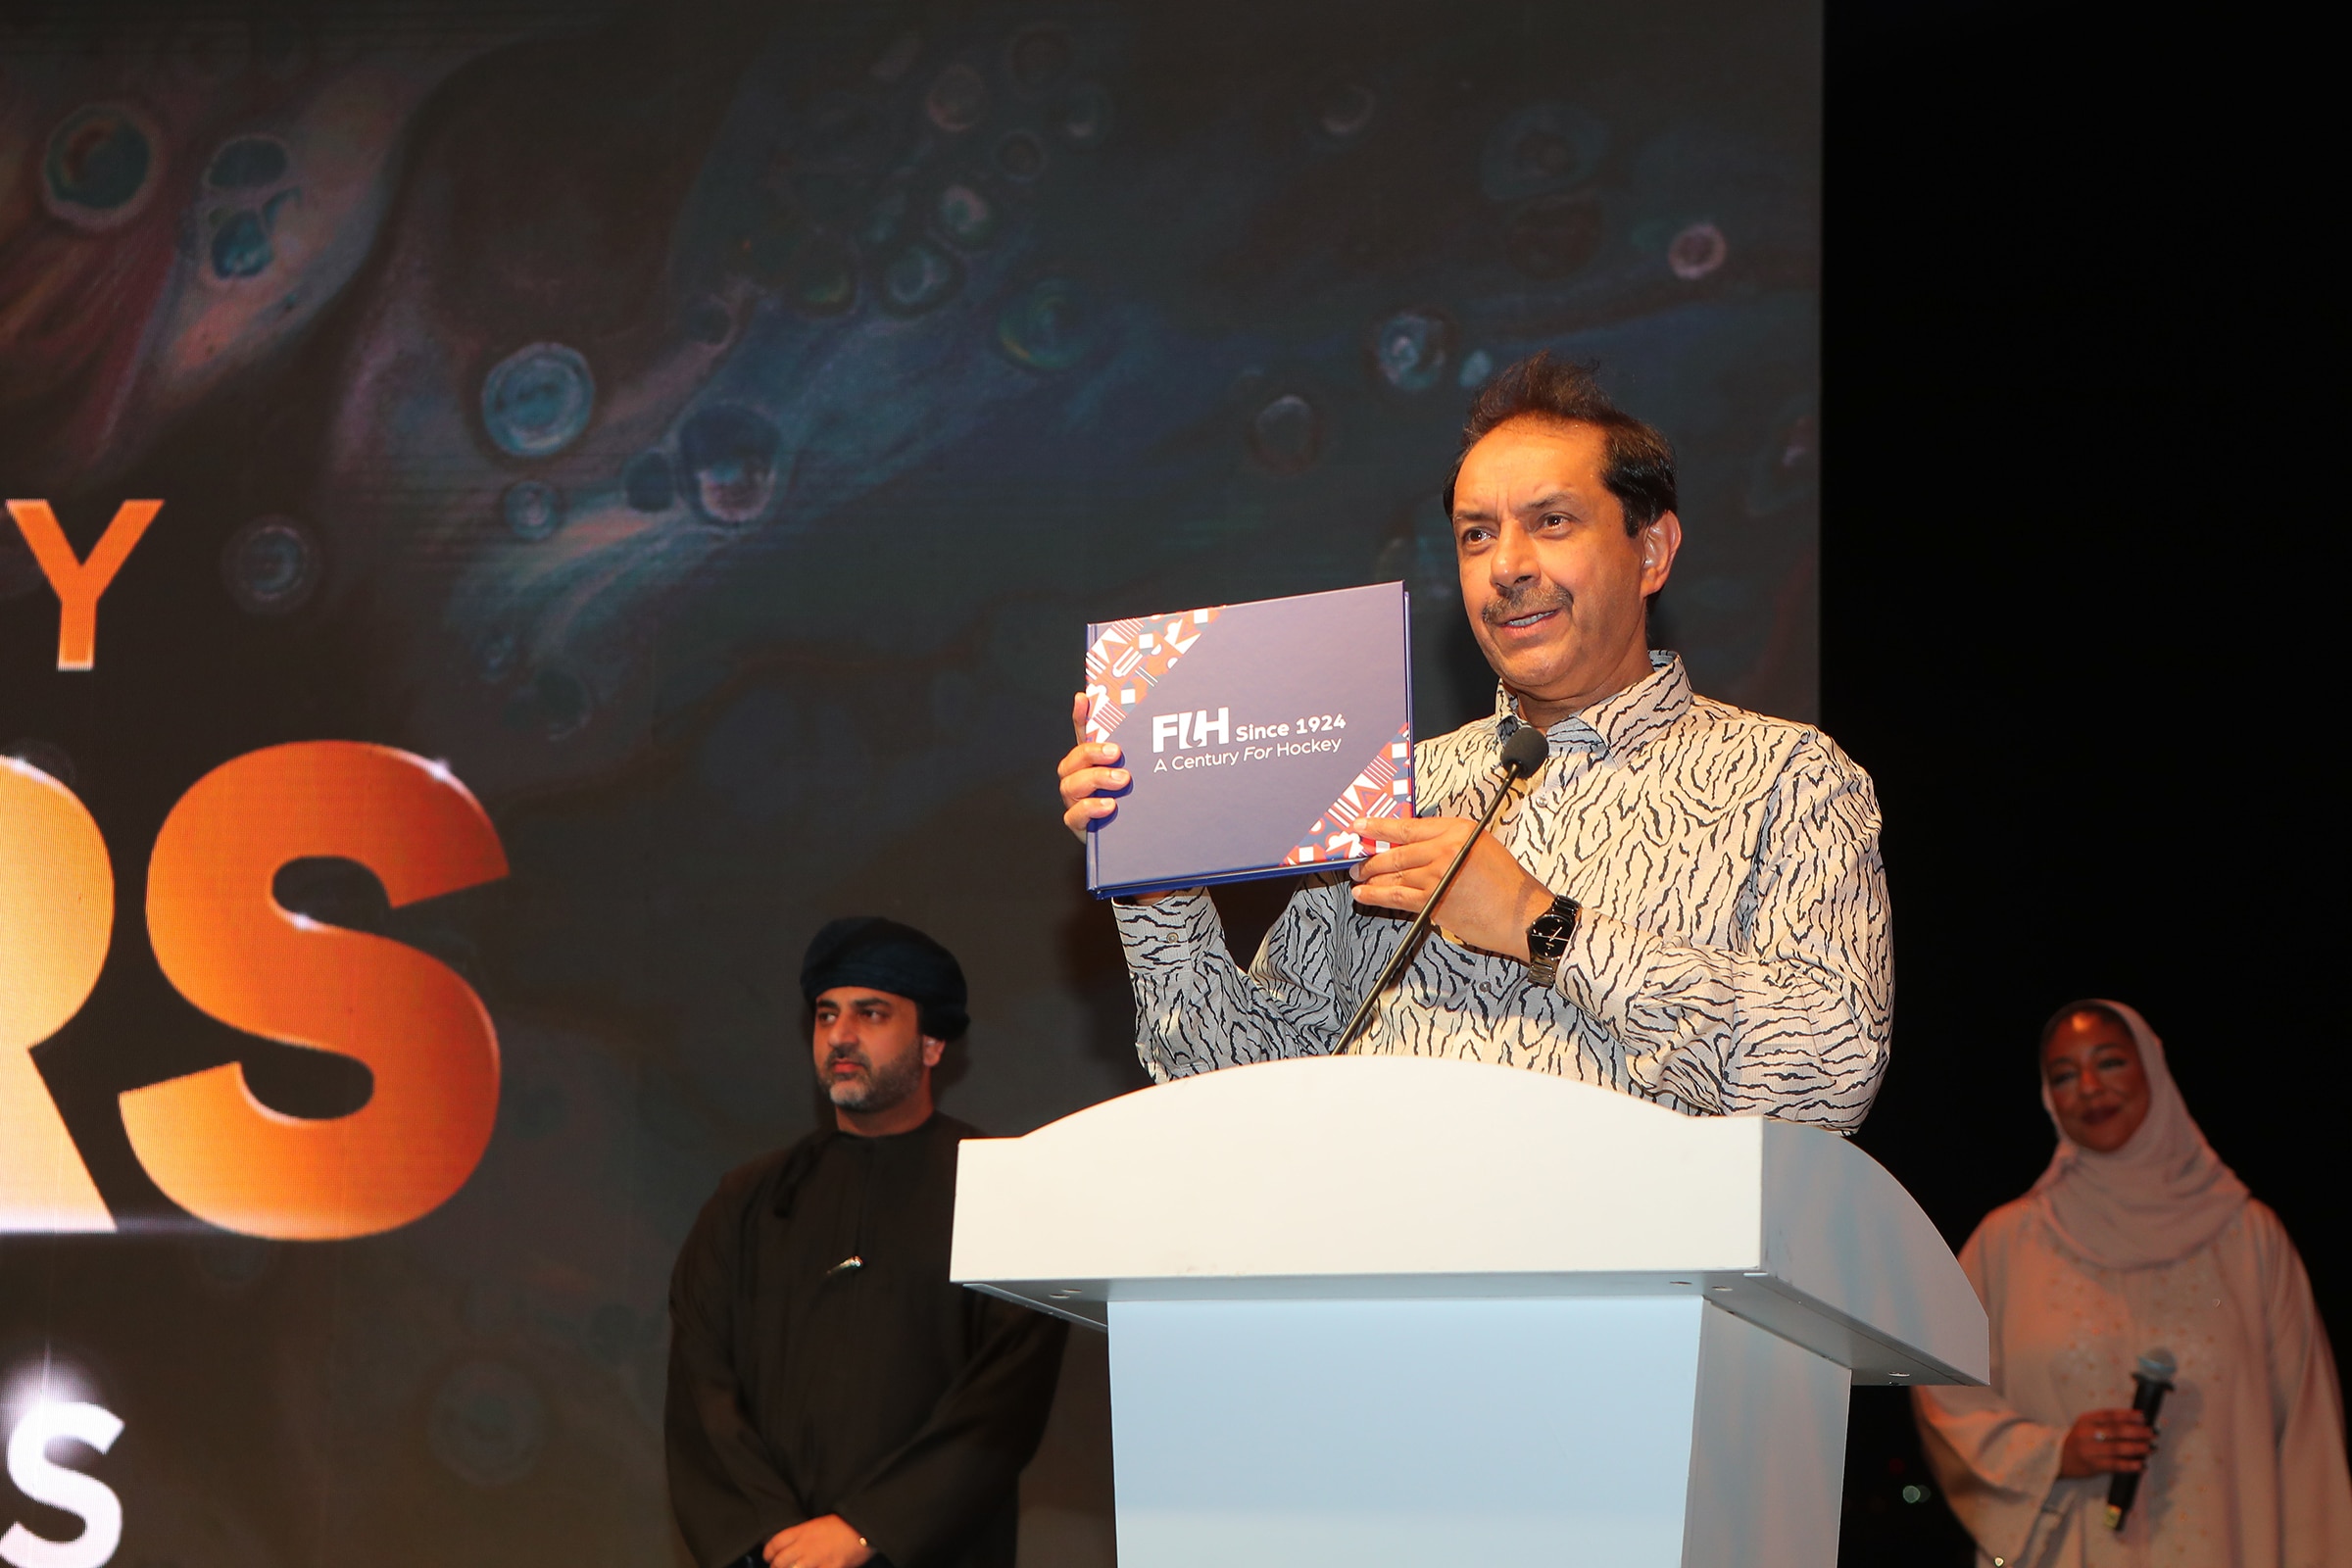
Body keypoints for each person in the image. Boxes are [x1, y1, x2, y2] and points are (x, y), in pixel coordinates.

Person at [1054, 353, 1890, 1129]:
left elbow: (1830, 1073)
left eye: (1552, 522)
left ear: (1653, 549)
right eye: (1476, 535)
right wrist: (1159, 891)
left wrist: (1542, 924)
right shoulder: (1393, 786)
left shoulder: (1789, 776)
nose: (1507, 567)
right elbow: (1248, 1089)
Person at [665, 918, 1068, 1568]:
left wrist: (865, 1530)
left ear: (932, 1043)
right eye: (827, 1016)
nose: (841, 1036)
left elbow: (1003, 1402)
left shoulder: (1000, 1189)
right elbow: (702, 1388)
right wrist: (773, 1535)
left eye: (871, 1013)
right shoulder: (747, 1200)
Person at [1912, 1000, 2352, 1567]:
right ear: (2049, 1098)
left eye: (2110, 1062)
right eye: (2064, 1075)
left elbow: (2308, 1437)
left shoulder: (2249, 1238)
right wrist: (2051, 1454)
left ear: (2152, 1069)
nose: (2090, 1087)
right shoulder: (2008, 1243)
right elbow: (1944, 1396)